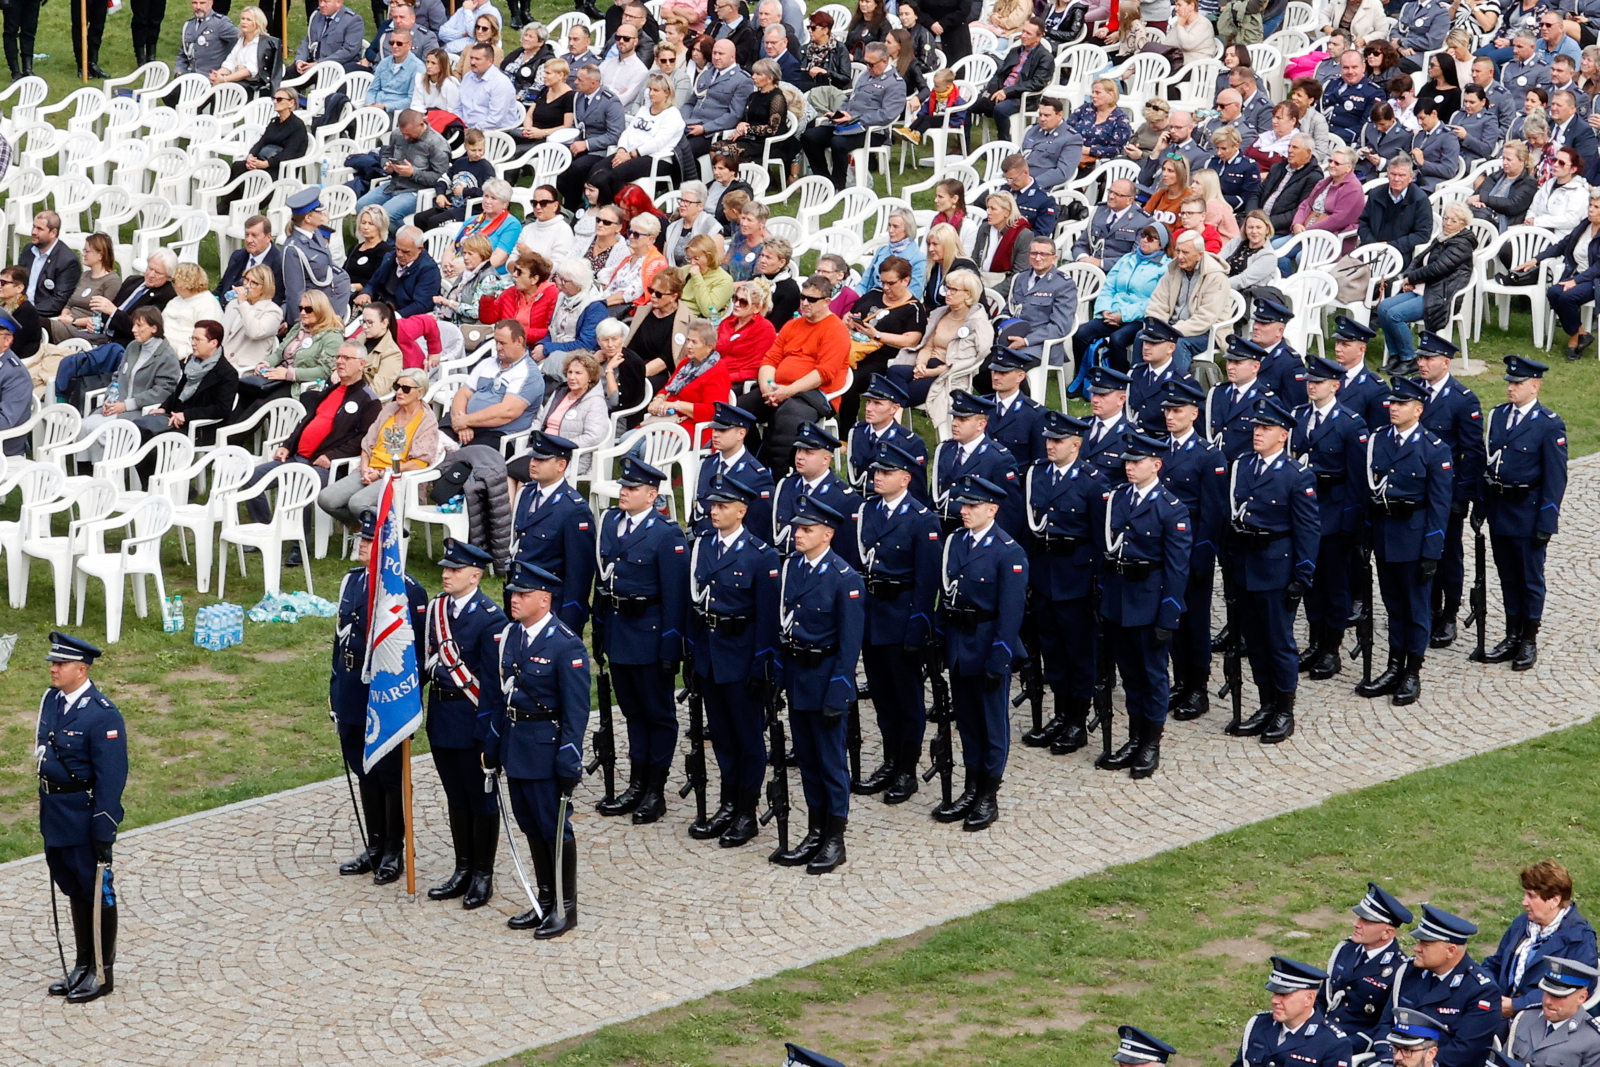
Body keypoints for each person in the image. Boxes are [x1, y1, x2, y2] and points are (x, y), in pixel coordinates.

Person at [482, 560, 589, 939]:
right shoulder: (511, 636)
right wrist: (493, 745)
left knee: (554, 828)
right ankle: (544, 899)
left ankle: (565, 907)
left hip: (547, 747)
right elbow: (500, 696)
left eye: (524, 594)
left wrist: (569, 755)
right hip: (516, 744)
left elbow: (576, 709)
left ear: (544, 600)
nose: (515, 599)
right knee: (530, 825)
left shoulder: (565, 644)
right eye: (514, 592)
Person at [683, 473, 780, 845]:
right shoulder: (704, 546)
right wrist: (692, 654)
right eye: (713, 505)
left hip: (742, 657)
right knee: (721, 736)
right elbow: (694, 603)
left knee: (747, 738)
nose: (714, 511)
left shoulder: (760, 555)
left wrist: (762, 665)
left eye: (723, 506)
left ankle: (746, 810)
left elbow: (768, 618)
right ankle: (727, 802)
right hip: (710, 654)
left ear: (741, 511)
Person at [591, 457, 689, 824]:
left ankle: (655, 790)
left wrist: (670, 646)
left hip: (649, 634)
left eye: (632, 489)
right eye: (623, 487)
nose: (624, 493)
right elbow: (603, 580)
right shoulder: (611, 523)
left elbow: (676, 597)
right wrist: (600, 627)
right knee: (632, 711)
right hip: (619, 631)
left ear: (652, 495)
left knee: (657, 714)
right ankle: (636, 784)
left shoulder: (667, 534)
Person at [1220, 396, 1319, 744]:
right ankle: (1265, 704)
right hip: (1246, 565)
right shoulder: (1242, 466)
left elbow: (1307, 529)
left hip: (1277, 568)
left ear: (1283, 435)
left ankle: (1284, 709)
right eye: (1256, 427)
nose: (1257, 433)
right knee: (1256, 644)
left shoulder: (1296, 475)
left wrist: (1302, 575)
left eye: (1265, 428)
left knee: (1279, 643)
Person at [36, 633, 128, 1004]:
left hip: (85, 814)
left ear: (82, 669)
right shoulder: (51, 701)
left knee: (96, 892)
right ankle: (82, 963)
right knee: (73, 888)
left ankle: (102, 973)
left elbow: (112, 774)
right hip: (55, 813)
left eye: (61, 664)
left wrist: (104, 824)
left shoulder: (102, 714)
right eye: (53, 663)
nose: (53, 669)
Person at [1094, 431, 1191, 779]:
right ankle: (1135, 737)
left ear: (1156, 464)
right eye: (1128, 461)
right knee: (1130, 674)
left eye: (1137, 462)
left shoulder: (1170, 508)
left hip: (1149, 601)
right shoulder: (1119, 498)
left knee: (1152, 676)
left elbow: (1177, 569)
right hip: (1119, 599)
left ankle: (1151, 741)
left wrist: (1169, 613)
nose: (1130, 467)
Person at [930, 474, 1025, 827]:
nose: (963, 510)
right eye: (962, 504)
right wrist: (939, 639)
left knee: (991, 724)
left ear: (992, 509)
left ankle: (988, 794)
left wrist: (1000, 656)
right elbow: (946, 592)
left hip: (986, 643)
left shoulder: (1007, 551)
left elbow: (1011, 613)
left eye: (972, 505)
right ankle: (970, 788)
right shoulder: (955, 542)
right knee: (967, 721)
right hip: (958, 640)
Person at [1351, 374, 1452, 706]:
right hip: (1385, 537)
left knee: (1417, 609)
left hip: (1415, 539)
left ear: (1418, 409)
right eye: (1392, 402)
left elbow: (1440, 506)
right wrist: (1366, 535)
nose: (1393, 408)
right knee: (1393, 605)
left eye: (1401, 403)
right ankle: (1394, 666)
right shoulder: (1378, 440)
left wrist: (1432, 551)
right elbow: (1369, 493)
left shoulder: (1434, 449)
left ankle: (1412, 671)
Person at [419, 539, 508, 909]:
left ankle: (482, 875)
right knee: (456, 798)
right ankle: (462, 868)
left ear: (475, 575)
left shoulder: (491, 619)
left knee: (481, 800)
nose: (445, 574)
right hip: (442, 719)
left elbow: (493, 685)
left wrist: (490, 735)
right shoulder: (438, 609)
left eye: (454, 570)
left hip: (472, 720)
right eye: (445, 568)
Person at [1017, 410, 1106, 751]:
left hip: (1076, 577)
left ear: (1076, 444)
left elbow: (1100, 540)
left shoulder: (1092, 481)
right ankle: (1060, 713)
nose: (1049, 445)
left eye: (1057, 441)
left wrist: (1098, 586)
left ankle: (1077, 720)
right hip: (1044, 574)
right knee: (1052, 651)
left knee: (1078, 653)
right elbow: (1029, 529)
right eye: (1048, 440)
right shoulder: (1037, 475)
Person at [1480, 355, 1567, 671]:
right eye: (1509, 382)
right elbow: (1488, 462)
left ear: (1535, 385)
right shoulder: (1499, 416)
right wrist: (1483, 505)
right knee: (1507, 577)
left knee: (1530, 579)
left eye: (1517, 383)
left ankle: (1528, 639)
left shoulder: (1548, 424)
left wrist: (1547, 520)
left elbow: (1556, 478)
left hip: (1528, 513)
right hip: (1501, 509)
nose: (1511, 388)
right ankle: (1512, 635)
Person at [1289, 356, 1370, 681]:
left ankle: (1331, 648)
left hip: (1334, 515)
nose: (1312, 386)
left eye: (1319, 382)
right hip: (1304, 515)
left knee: (1334, 585)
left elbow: (1357, 480)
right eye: (1310, 381)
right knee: (1310, 583)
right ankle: (1315, 641)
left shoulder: (1350, 423)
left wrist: (1352, 522)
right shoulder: (1298, 417)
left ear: (1335, 386)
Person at [241, 346, 382, 527]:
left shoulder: (369, 401)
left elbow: (364, 439)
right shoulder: (331, 390)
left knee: (300, 486)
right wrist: (287, 446)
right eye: (338, 357)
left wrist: (332, 456)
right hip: (297, 457)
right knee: (252, 478)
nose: (339, 361)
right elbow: (306, 421)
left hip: (324, 465)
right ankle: (263, 527)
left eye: (346, 358)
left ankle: (299, 546)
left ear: (361, 364)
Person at [1412, 334, 1485, 650]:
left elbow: (1473, 453)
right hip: (1415, 490)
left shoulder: (1461, 399)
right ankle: (1426, 607)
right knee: (1417, 552)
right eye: (1420, 358)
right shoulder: (1412, 392)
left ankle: (1449, 613)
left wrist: (1461, 496)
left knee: (1447, 555)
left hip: (1445, 492)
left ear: (1446, 362)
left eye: (1429, 359)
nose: (1422, 364)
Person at [735, 275, 850, 473]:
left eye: (811, 299)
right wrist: (767, 389)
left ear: (826, 302)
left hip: (815, 395)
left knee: (786, 423)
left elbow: (823, 374)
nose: (805, 303)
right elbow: (770, 360)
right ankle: (753, 464)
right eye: (802, 297)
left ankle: (778, 480)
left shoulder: (836, 330)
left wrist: (787, 392)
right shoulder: (793, 325)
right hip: (778, 389)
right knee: (736, 412)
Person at [1372, 906, 1501, 1067]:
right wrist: (1388, 1059)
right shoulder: (1409, 972)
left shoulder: (1481, 991)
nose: (1416, 948)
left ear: (1450, 950)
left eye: (1425, 944)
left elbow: (1464, 1052)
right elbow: (1386, 1024)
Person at [318, 364, 440, 531]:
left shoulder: (427, 420)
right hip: (371, 470)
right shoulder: (390, 409)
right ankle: (362, 529)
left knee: (358, 503)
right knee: (326, 499)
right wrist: (365, 468)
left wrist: (383, 472)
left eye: (405, 389)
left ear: (420, 392)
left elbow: (418, 462)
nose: (399, 392)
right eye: (397, 386)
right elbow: (367, 444)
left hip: (398, 477)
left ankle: (388, 534)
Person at [1483, 861, 1600, 1021]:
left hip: (1541, 1019)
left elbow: (1574, 989)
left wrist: (1516, 1005)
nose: (1524, 902)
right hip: (1500, 1007)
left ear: (1554, 900)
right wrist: (1490, 992)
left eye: (1531, 896)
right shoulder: (1522, 924)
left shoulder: (1580, 937)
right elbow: (1496, 963)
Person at [1372, 201, 1479, 375]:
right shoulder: (1442, 238)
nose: (1447, 223)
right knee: (1383, 307)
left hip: (1440, 295)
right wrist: (1409, 275)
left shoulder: (1462, 244)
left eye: (1453, 220)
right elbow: (1419, 259)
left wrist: (1412, 277)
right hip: (1422, 289)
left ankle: (1409, 358)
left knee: (1394, 315)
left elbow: (1438, 268)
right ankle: (1395, 356)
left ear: (1463, 224)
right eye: (1446, 218)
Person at [889, 270, 993, 433]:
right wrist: (920, 365)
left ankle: (893, 429)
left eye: (953, 290)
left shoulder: (977, 324)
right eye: (947, 288)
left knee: (894, 393)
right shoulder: (941, 314)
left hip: (947, 375)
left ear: (968, 294)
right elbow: (928, 346)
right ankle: (895, 427)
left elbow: (964, 363)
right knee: (895, 371)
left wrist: (930, 373)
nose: (947, 293)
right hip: (928, 365)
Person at [800, 42, 906, 190]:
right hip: (847, 123)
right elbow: (851, 100)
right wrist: (839, 112)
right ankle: (825, 181)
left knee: (838, 143)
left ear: (884, 61)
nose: (868, 67)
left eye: (871, 64)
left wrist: (855, 119)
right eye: (866, 63)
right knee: (810, 136)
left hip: (872, 130)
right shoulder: (866, 75)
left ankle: (839, 186)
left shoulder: (895, 83)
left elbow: (887, 115)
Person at [1323, 884, 1416, 1051]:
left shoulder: (1399, 969)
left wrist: (1344, 1045)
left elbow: (1388, 1023)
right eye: (1359, 918)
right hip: (1323, 1031)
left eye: (1366, 921)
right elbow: (1323, 998)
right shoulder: (1346, 949)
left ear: (1386, 933)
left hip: (1355, 1045)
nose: (1356, 924)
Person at [128, 321, 238, 459]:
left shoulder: (227, 374)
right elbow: (178, 392)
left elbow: (222, 409)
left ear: (213, 343)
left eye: (198, 339)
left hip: (198, 426)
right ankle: (135, 475)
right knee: (137, 427)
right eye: (192, 338)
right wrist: (163, 407)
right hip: (174, 416)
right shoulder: (192, 363)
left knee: (153, 441)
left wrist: (187, 415)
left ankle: (153, 477)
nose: (193, 343)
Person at [839, 257, 926, 427]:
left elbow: (911, 340)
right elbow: (853, 314)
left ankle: (845, 432)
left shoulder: (913, 309)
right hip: (855, 347)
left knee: (851, 379)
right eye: (883, 282)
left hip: (883, 359)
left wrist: (878, 334)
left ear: (906, 280)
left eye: (891, 283)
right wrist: (849, 320)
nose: (886, 288)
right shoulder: (873, 294)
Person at [234, 288, 344, 421]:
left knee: (261, 404)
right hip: (279, 375)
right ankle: (224, 432)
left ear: (320, 310)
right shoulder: (299, 327)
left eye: (308, 309)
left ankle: (231, 437)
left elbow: (324, 371)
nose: (303, 313)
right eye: (300, 308)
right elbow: (280, 352)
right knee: (247, 392)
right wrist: (266, 362)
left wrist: (289, 374)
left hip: (298, 384)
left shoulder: (332, 337)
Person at [929, 391, 1023, 536]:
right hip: (942, 530)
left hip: (975, 534)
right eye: (954, 418)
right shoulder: (945, 449)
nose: (954, 423)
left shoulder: (998, 459)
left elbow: (1009, 510)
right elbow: (934, 495)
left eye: (963, 419)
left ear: (981, 425)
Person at [1231, 958, 1354, 1067]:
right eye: (1275, 993)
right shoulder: (1258, 1025)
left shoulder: (1333, 1044)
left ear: (1309, 998)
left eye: (1283, 995)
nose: (1274, 1000)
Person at [448, 320, 544, 450]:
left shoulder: (529, 374)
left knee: (462, 460)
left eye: (503, 343)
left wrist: (466, 421)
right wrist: (462, 424)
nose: (498, 347)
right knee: (432, 441)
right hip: (465, 425)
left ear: (519, 341)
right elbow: (463, 393)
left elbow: (507, 412)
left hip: (498, 435)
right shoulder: (487, 363)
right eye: (496, 342)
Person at [1146, 230, 1231, 373]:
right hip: (1171, 328)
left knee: (1178, 344)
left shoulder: (1216, 277)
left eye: (1185, 252)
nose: (1179, 257)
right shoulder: (1173, 270)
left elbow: (1206, 318)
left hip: (1206, 331)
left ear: (1199, 254)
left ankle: (1176, 388)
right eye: (1178, 251)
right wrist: (1157, 328)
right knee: (1142, 336)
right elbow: (1158, 302)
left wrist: (1172, 332)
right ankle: (1138, 383)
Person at [1506, 960, 1600, 1067]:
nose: (1548, 1001)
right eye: (1546, 992)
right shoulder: (1526, 1017)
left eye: (1558, 996)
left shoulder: (1594, 1040)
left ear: (1581, 998)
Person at [969, 18, 1053, 132]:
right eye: (1023, 31)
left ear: (1039, 37)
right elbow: (1000, 74)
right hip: (1001, 91)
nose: (1023, 36)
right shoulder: (1015, 51)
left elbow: (1037, 83)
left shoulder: (1045, 58)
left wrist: (1007, 91)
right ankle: (963, 146)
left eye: (1028, 33)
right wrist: (990, 89)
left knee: (1000, 109)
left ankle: (1004, 144)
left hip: (1023, 97)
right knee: (969, 104)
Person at [1206, 337, 1277, 464]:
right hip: (1214, 465)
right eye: (1229, 362)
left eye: (1237, 363)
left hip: (1245, 468)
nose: (1230, 367)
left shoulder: (1266, 400)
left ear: (1255, 367)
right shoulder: (1217, 392)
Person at [280, 188, 348, 318]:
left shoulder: (316, 232)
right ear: (308, 218)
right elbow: (295, 293)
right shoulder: (293, 250)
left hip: (330, 302)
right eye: (318, 212)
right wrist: (299, 325)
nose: (322, 214)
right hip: (313, 312)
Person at [1358, 155, 1436, 267]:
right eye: (1393, 174)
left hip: (1399, 254)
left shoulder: (1420, 200)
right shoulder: (1375, 194)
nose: (1396, 179)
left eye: (1402, 175)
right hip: (1370, 249)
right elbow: (1363, 222)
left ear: (1411, 177)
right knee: (1345, 273)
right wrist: (1373, 244)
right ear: (1387, 174)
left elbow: (1422, 234)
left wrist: (1390, 246)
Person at [1073, 179, 1155, 274]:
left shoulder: (1143, 221)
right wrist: (1082, 258)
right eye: (1110, 191)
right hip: (1086, 269)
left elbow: (1135, 257)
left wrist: (1101, 263)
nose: (1111, 196)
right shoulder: (1099, 211)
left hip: (1118, 273)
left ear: (1130, 200)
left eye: (1117, 194)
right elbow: (1081, 243)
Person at [360, 227, 443, 320]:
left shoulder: (429, 270)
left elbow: (421, 305)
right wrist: (367, 293)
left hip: (407, 318)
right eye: (397, 249)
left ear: (420, 249)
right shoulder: (391, 258)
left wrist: (393, 317)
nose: (399, 254)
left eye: (405, 251)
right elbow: (374, 282)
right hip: (382, 309)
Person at [1252, 135, 1324, 236]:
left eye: (1295, 147)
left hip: (1279, 229)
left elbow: (1299, 211)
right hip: (1257, 222)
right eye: (1289, 146)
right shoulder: (1278, 168)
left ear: (1307, 152)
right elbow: (1257, 193)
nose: (1290, 150)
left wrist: (1265, 222)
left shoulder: (1313, 177)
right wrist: (1252, 216)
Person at [221, 264, 286, 371]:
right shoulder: (233, 304)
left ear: (264, 287)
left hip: (244, 368)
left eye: (254, 283)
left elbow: (254, 332)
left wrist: (243, 304)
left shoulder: (273, 311)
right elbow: (223, 335)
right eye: (246, 280)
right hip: (223, 363)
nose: (247, 286)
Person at [20, 212, 82, 321]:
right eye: (34, 226)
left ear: (53, 233)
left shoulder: (67, 261)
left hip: (42, 316)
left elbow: (59, 300)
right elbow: (17, 280)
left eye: (39, 229)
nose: (33, 232)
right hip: (21, 307)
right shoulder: (29, 250)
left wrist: (27, 311)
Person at [716, 280, 780, 386]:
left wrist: (724, 376)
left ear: (757, 308)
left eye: (743, 302)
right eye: (735, 299)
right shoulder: (728, 322)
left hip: (736, 382)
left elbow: (756, 368)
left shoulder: (765, 329)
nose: (736, 304)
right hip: (715, 373)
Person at [161, 263, 225, 362]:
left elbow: (204, 341)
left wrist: (178, 354)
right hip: (161, 352)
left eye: (174, 280)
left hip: (183, 358)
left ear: (185, 282)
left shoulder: (207, 304)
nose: (172, 284)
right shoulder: (174, 301)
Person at [1468, 141, 1539, 228]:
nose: (1504, 162)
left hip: (1506, 222)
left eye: (1509, 159)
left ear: (1522, 161)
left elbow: (1512, 206)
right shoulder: (1496, 176)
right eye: (1503, 158)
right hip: (1483, 213)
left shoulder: (1529, 183)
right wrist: (1477, 202)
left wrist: (1482, 199)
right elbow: (1476, 195)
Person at [972, 192, 1034, 290]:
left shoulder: (1023, 235)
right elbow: (974, 260)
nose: (988, 212)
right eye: (987, 208)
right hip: (979, 283)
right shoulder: (984, 228)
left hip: (1006, 289)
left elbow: (1019, 275)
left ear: (1007, 212)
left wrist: (991, 294)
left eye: (993, 209)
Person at [458, 43, 526, 131]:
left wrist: (470, 130)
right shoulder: (468, 77)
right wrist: (456, 123)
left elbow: (495, 120)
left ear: (490, 61)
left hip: (493, 133)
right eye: (471, 58)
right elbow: (459, 107)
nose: (472, 62)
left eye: (477, 59)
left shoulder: (500, 83)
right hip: (466, 127)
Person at [1324, 50, 1388, 143]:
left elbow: (1366, 127)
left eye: (1354, 67)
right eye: (1346, 67)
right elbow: (1318, 112)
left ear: (1363, 67)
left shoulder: (1374, 92)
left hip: (1346, 144)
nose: (1350, 71)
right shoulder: (1331, 84)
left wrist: (1332, 137)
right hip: (1322, 137)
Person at [292, 0, 365, 73]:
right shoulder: (317, 15)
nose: (321, 5)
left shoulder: (353, 20)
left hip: (337, 68)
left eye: (326, 2)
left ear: (338, 3)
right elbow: (308, 40)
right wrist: (300, 60)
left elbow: (348, 51)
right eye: (320, 1)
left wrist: (320, 64)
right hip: (312, 63)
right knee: (287, 74)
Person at [356, 300, 406, 397]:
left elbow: (377, 390)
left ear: (384, 323)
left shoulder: (392, 353)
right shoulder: (361, 337)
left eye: (370, 322)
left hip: (371, 403)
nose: (364, 327)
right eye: (363, 321)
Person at [797, 10, 851, 91]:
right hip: (806, 89)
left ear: (825, 30)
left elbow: (845, 79)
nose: (810, 31)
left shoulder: (839, 49)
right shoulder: (804, 49)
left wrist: (825, 72)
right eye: (809, 27)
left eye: (813, 28)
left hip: (829, 92)